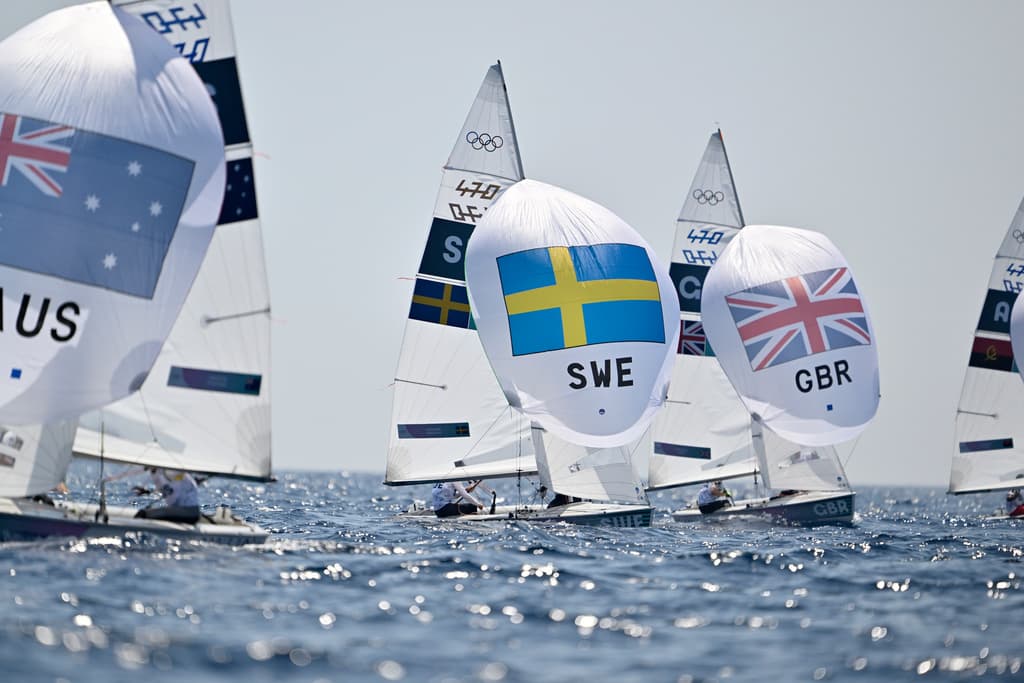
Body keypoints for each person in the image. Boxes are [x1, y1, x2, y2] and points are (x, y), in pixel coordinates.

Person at [106, 466, 201, 523]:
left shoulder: (170, 471)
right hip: (179, 511)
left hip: (189, 512)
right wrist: (147, 492)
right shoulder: (156, 473)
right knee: (146, 512)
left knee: (142, 514)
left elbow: (179, 473)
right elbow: (168, 489)